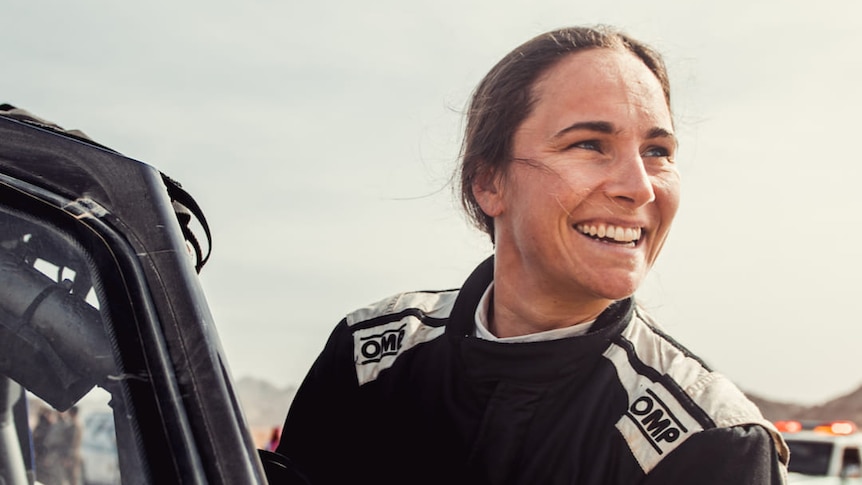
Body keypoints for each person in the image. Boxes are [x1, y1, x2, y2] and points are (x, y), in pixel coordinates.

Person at [276, 25, 789, 484]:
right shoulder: (370, 353)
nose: (640, 188)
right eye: (590, 144)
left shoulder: (711, 442)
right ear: (488, 183)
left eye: (657, 152)